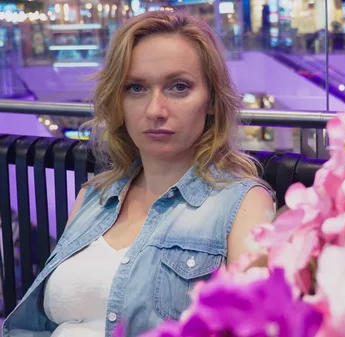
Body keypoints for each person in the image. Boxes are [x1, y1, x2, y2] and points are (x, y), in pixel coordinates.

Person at [2, 10, 275, 337]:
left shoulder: (243, 205)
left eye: (178, 87)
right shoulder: (94, 196)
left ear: (212, 100)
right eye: (136, 88)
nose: (155, 110)